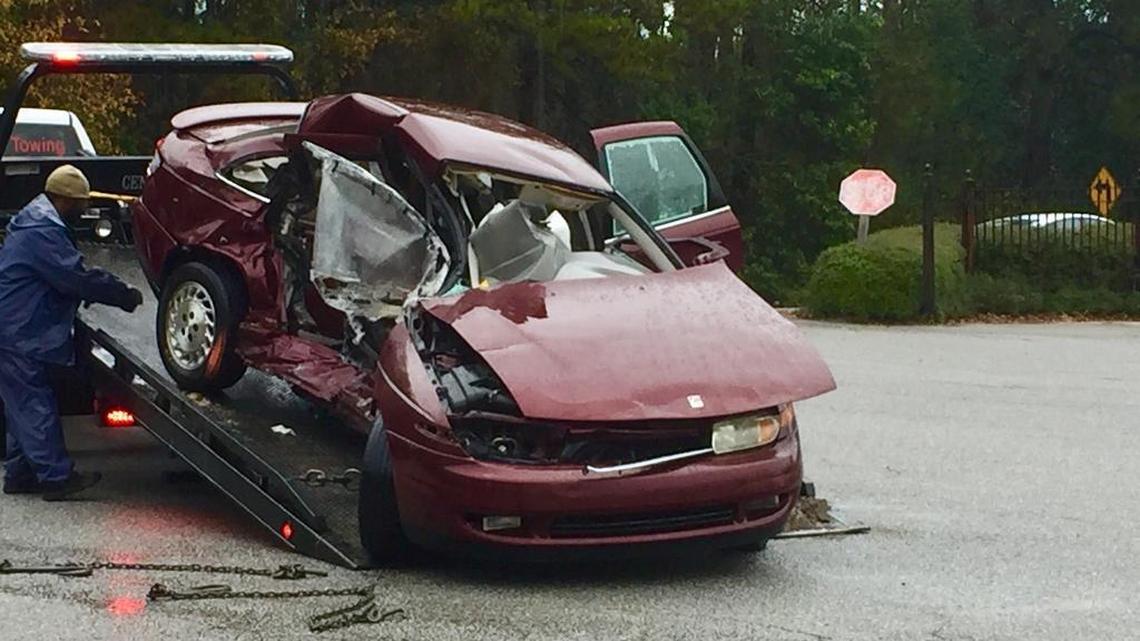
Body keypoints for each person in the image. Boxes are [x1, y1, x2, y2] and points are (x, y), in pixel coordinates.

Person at [0, 165, 142, 501]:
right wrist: (122, 294)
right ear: (64, 199)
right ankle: (56, 478)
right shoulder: (42, 232)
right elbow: (74, 275)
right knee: (34, 404)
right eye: (80, 202)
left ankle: (20, 474)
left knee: (22, 403)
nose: (83, 208)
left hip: (17, 327)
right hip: (20, 332)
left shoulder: (34, 222)